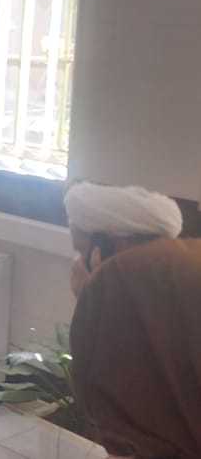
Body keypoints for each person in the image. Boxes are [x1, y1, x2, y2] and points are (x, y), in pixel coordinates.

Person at [64, 183, 201, 458]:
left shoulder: (120, 285)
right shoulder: (183, 268)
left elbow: (120, 421)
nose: (76, 264)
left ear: (106, 247)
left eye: (80, 251)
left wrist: (92, 292)